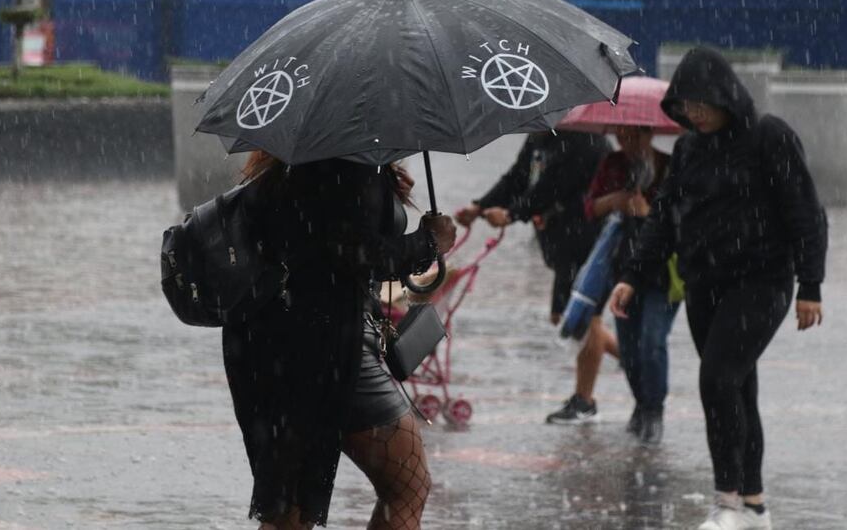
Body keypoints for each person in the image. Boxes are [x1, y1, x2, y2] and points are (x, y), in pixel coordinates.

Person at [607, 46, 827, 530]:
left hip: (762, 282)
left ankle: (725, 502)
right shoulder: (688, 149)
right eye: (685, 106)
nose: (694, 114)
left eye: (701, 104)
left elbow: (806, 212)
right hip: (703, 286)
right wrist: (631, 276)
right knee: (738, 389)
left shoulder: (769, 137)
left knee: (717, 379)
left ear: (725, 95)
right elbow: (664, 219)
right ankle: (754, 505)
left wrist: (810, 283)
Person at [222, 152, 456, 530]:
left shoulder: (299, 157)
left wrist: (384, 190)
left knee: (290, 508)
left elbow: (323, 237)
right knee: (407, 484)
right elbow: (356, 253)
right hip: (326, 344)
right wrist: (429, 242)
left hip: (265, 339)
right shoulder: (346, 163)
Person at [454, 131, 610, 421]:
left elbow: (550, 189)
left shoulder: (583, 138)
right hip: (562, 241)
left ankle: (584, 401)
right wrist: (480, 206)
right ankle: (631, 359)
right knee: (568, 317)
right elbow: (517, 177)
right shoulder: (541, 135)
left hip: (587, 239)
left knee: (585, 318)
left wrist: (512, 215)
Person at [574, 125, 679, 442]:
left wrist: (649, 214)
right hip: (622, 272)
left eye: (633, 136)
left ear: (648, 134)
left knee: (652, 342)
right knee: (630, 350)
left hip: (663, 273)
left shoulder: (670, 166)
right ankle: (642, 404)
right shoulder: (613, 164)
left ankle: (654, 410)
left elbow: (680, 218)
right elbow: (590, 207)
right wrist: (615, 201)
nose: (627, 143)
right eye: (621, 137)